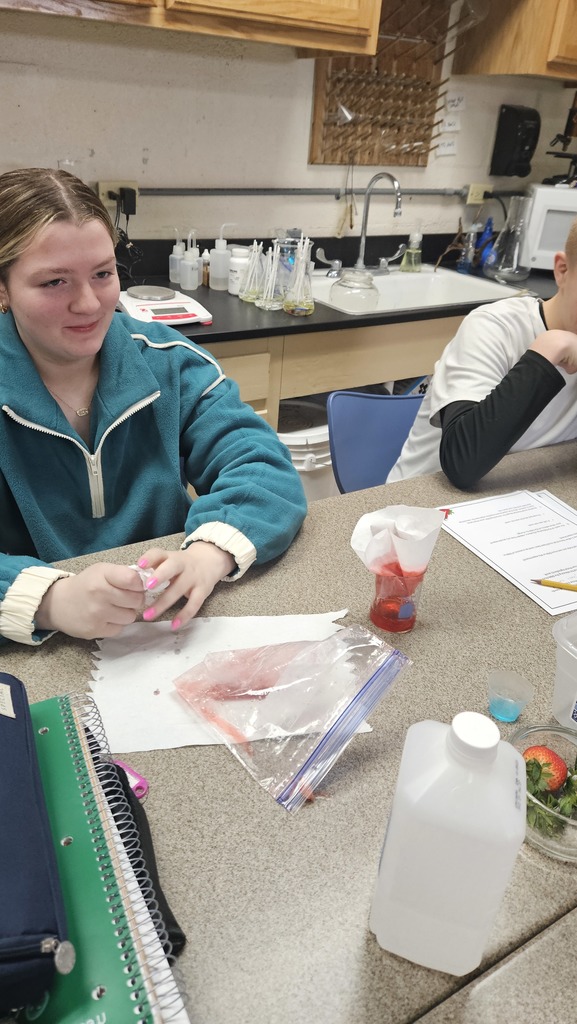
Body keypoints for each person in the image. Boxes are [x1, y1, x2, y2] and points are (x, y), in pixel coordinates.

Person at [0, 167, 307, 646]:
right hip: (39, 648)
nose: (89, 304)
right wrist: (49, 600)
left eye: (103, 274)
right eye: (55, 282)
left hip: (169, 629)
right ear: (3, 288)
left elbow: (261, 465)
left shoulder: (169, 362)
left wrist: (208, 554)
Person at [388, 218, 577, 489]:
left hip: (522, 496)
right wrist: (548, 351)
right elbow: (462, 464)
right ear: (563, 270)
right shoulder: (494, 327)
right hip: (421, 499)